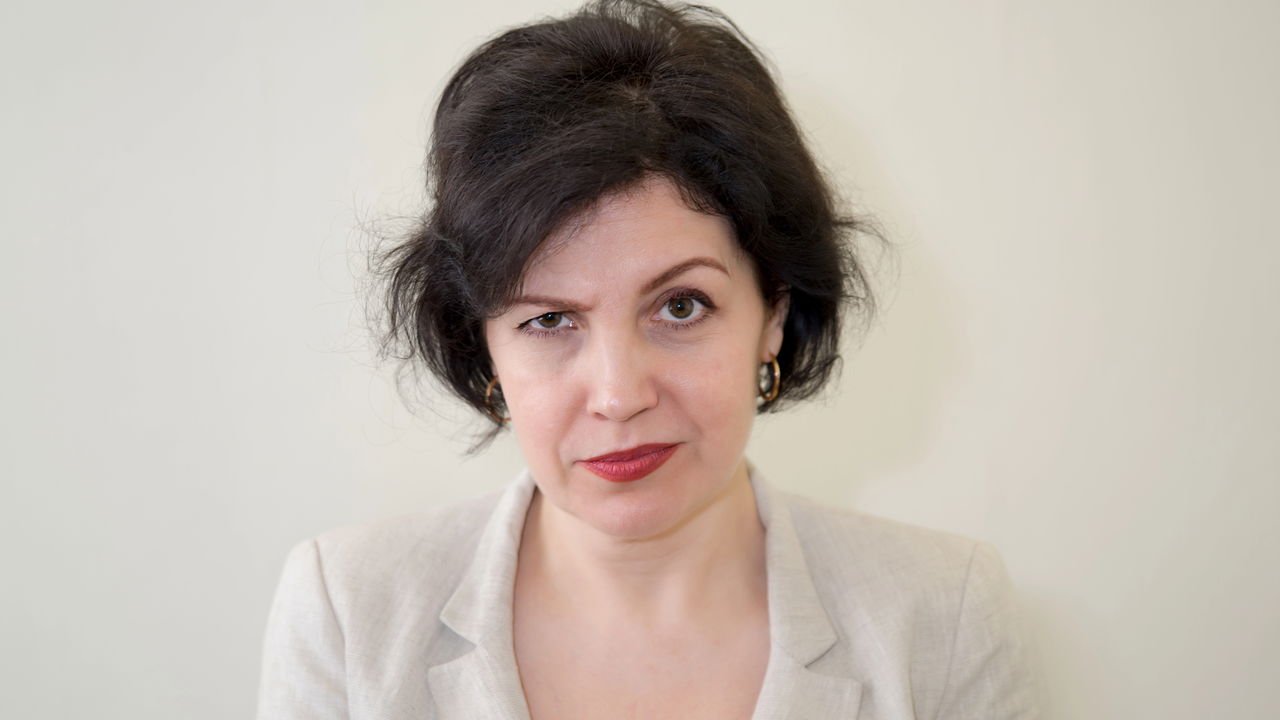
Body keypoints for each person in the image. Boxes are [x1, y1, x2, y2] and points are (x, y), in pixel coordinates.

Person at [255, 0, 1043, 717]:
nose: (618, 393)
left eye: (680, 306)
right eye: (550, 319)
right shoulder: (348, 612)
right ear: (482, 345)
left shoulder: (944, 617)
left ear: (773, 311)